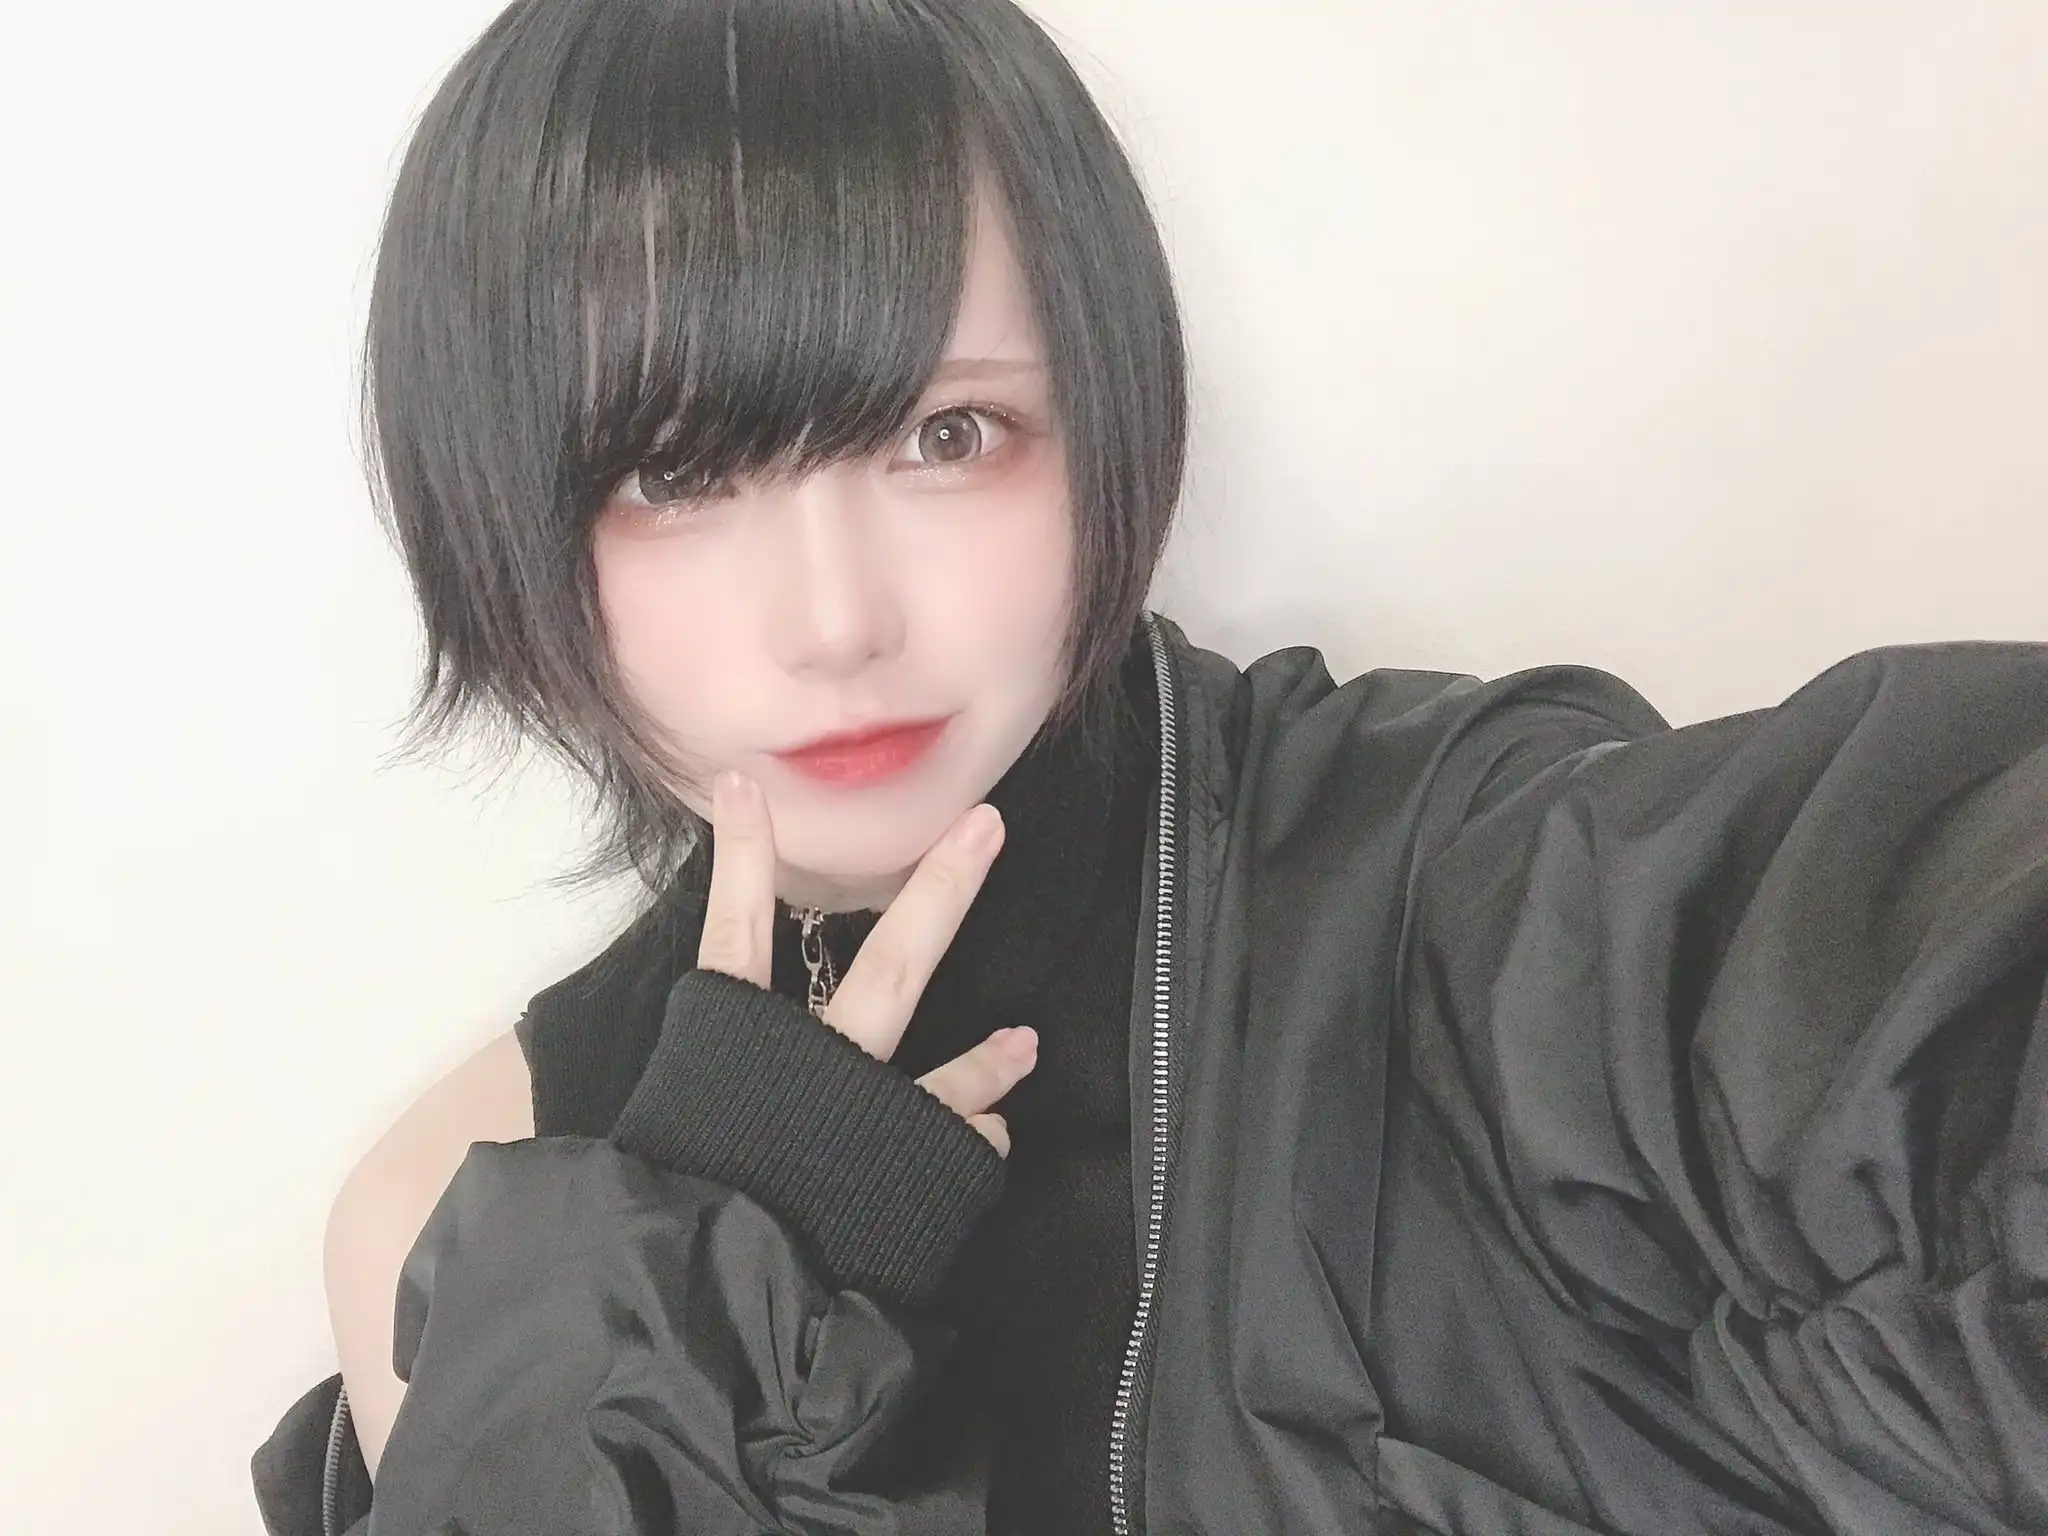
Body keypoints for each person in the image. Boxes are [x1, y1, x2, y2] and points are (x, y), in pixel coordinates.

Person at [252, 1, 2048, 1532]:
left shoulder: (1448, 900)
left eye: (947, 433)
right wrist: (671, 1349)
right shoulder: (456, 1209)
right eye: (675, 473)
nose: (838, 619)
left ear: (1103, 415)